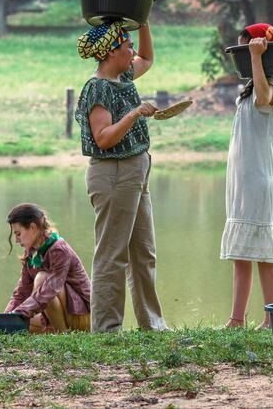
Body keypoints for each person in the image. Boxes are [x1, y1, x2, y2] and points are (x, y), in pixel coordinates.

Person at [75, 21, 167, 332]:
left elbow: (148, 59)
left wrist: (144, 25)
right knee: (112, 254)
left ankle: (152, 324)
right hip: (114, 173)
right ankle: (106, 329)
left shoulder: (123, 76)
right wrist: (134, 113)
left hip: (136, 171)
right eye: (127, 46)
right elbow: (103, 138)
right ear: (112, 51)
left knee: (143, 252)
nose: (132, 51)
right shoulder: (98, 87)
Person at [220, 23, 273, 329]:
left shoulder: (271, 85)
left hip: (260, 179)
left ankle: (269, 318)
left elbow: (264, 99)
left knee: (264, 253)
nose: (243, 56)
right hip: (243, 179)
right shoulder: (249, 88)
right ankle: (237, 319)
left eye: (246, 48)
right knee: (242, 252)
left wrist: (256, 59)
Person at [4, 203, 91, 333]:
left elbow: (50, 290)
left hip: (81, 314)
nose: (16, 240)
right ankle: (55, 330)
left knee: (41, 279)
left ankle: (62, 335)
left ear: (32, 227)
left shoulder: (59, 249)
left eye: (18, 234)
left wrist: (21, 311)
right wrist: (5, 317)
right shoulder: (31, 252)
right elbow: (21, 292)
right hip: (57, 312)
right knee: (19, 325)